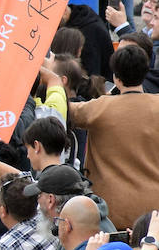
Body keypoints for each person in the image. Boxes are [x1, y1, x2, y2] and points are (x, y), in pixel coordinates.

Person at [68, 45, 159, 230]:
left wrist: (53, 80)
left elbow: (64, 109)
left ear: (116, 77)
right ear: (145, 72)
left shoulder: (98, 108)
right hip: (154, 210)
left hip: (110, 213)